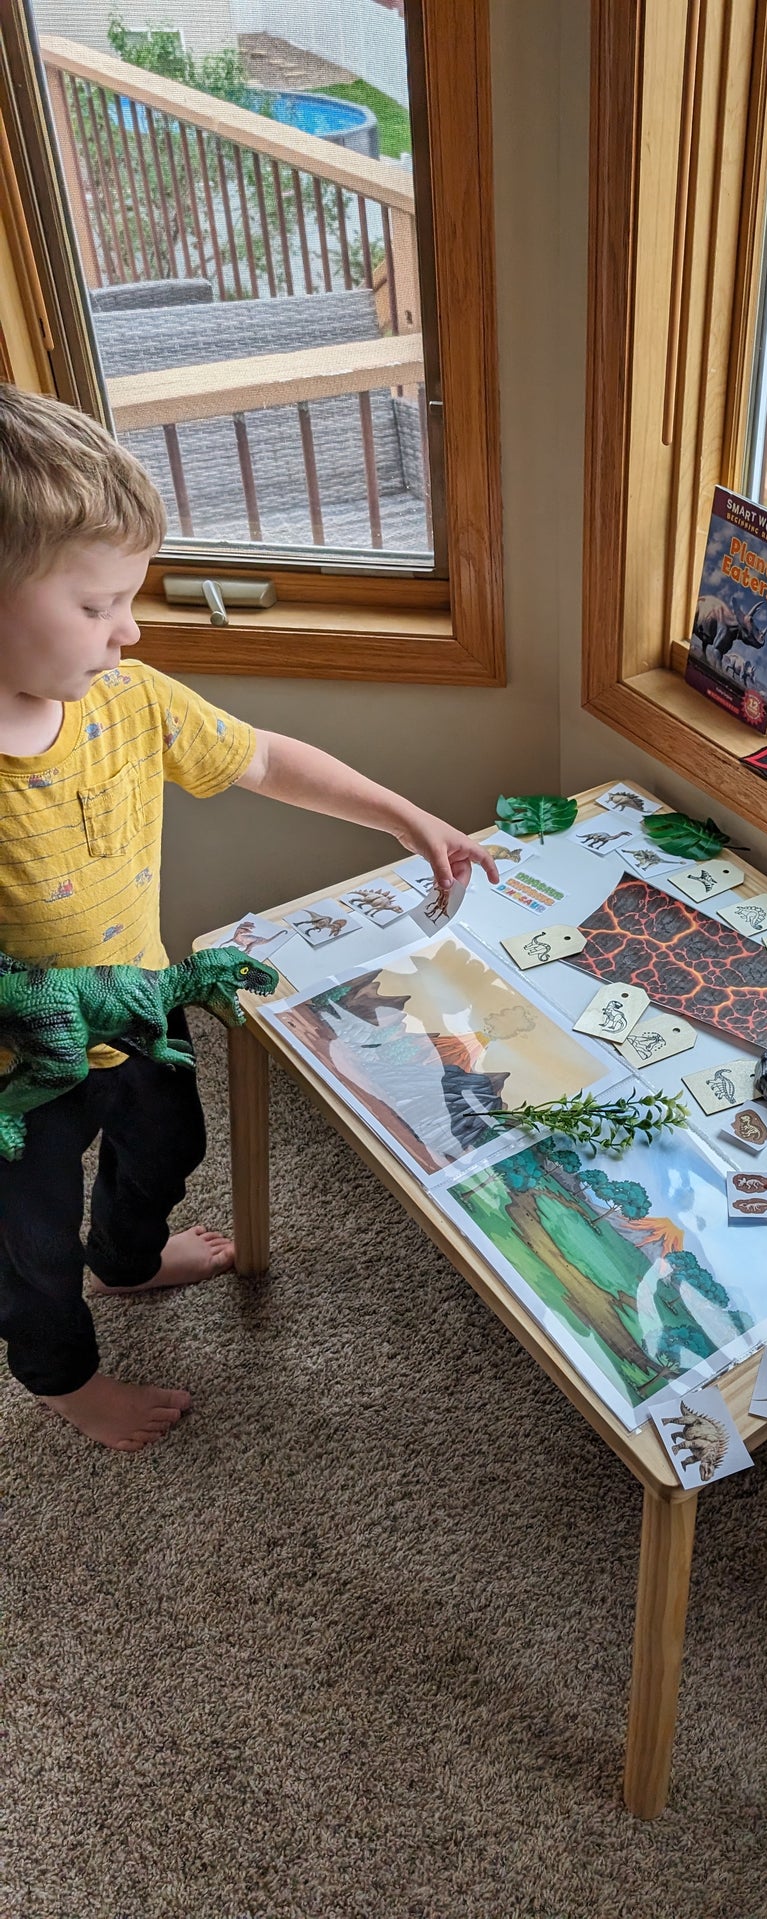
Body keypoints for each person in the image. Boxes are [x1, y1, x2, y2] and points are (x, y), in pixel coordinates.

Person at [0, 385, 497, 1454]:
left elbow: (263, 756)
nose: (128, 629)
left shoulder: (128, 698)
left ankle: (126, 1258)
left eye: (130, 598)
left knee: (170, 1142)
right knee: (25, 1246)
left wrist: (403, 816)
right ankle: (64, 1377)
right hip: (13, 1078)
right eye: (96, 607)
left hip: (139, 1010)